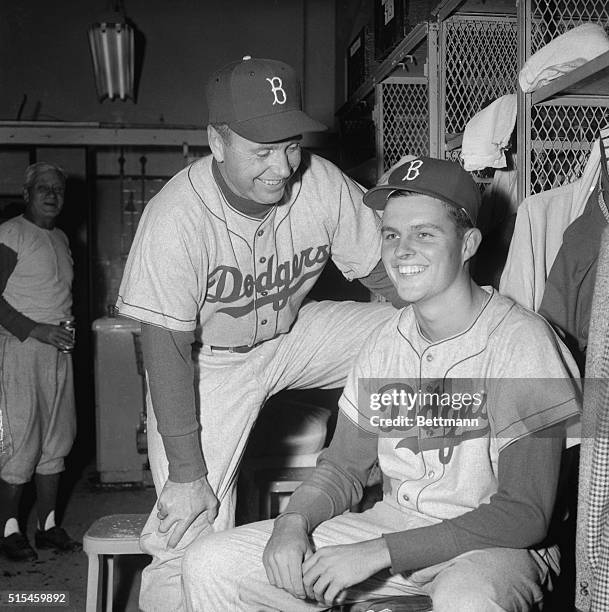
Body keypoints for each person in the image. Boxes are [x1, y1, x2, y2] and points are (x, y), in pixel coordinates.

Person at [181, 156, 582, 611]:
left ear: (468, 243)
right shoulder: (384, 342)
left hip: (493, 548)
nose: (401, 249)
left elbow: (524, 515)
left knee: (467, 602)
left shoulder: (521, 342)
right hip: (395, 523)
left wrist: (377, 554)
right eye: (391, 234)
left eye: (424, 234)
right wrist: (292, 522)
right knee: (209, 561)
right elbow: (344, 469)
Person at [116, 55, 401, 611]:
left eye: (291, 144)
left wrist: (450, 336)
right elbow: (167, 348)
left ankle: (434, 475)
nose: (283, 165)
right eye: (262, 151)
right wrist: (187, 474)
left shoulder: (319, 183)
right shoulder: (175, 216)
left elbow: (383, 276)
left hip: (293, 336)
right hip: (207, 362)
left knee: (406, 330)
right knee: (188, 527)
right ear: (216, 142)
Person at [0, 162, 81, 561]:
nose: (52, 195)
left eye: (58, 189)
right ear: (27, 194)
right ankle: (8, 531)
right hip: (20, 349)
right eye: (43, 189)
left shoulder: (62, 239)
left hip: (57, 349)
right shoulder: (11, 233)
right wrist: (37, 330)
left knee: (56, 441)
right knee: (20, 442)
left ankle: (47, 527)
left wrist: (61, 330)